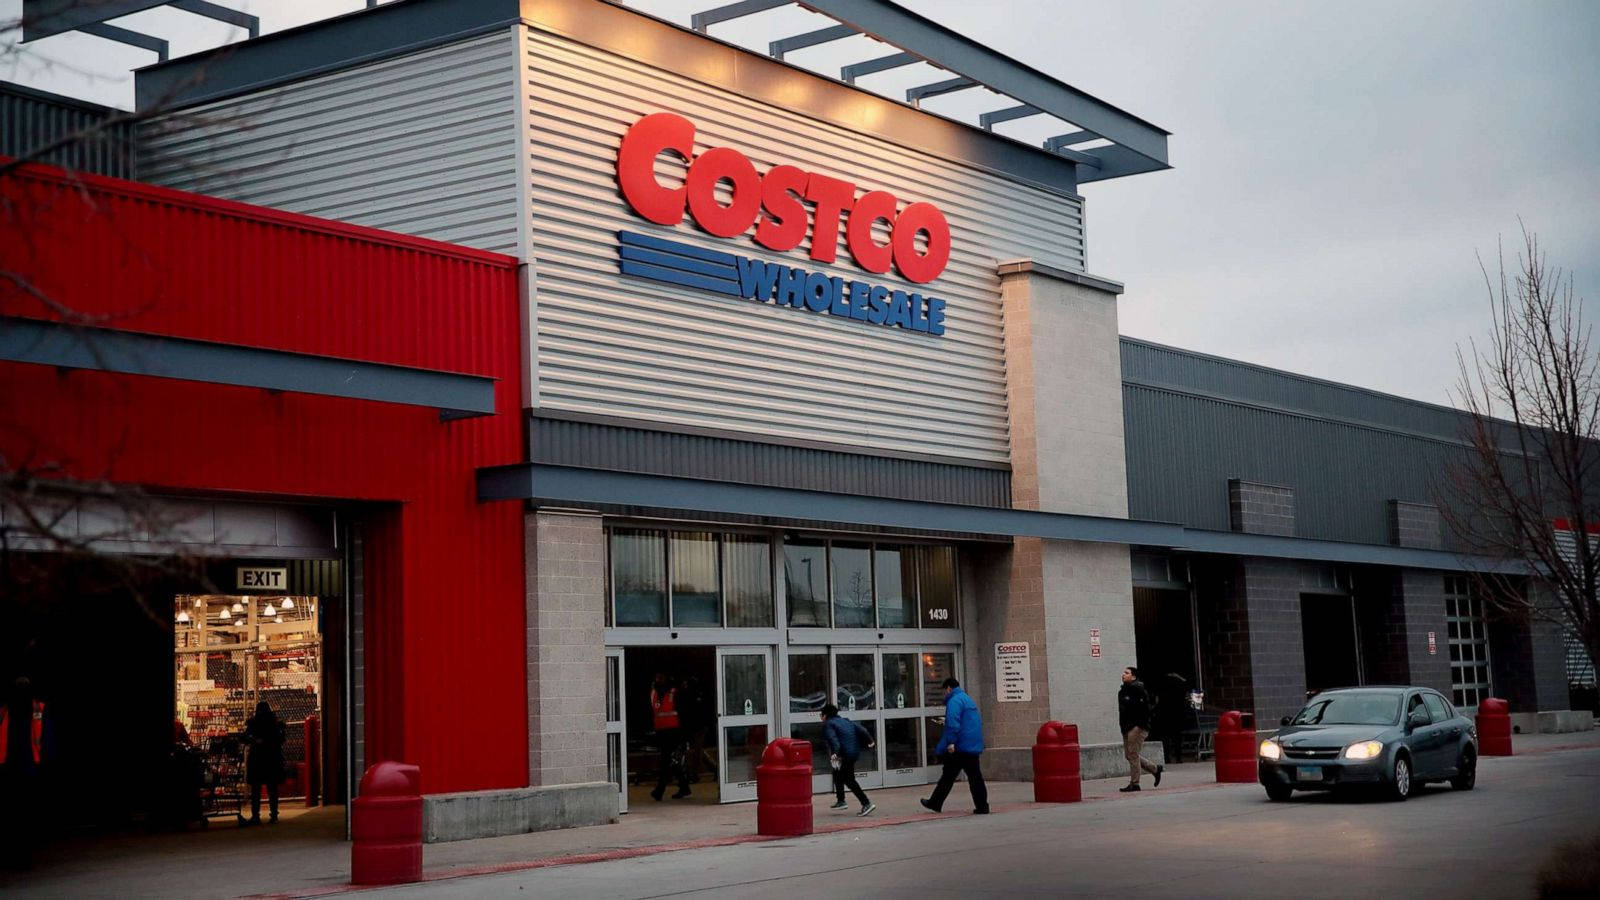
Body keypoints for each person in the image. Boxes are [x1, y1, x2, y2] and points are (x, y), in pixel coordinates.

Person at [920, 677, 988, 815]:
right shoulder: (966, 699)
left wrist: (951, 742)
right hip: (971, 745)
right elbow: (967, 721)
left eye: (944, 691)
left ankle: (935, 803)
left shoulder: (954, 701)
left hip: (960, 746)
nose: (945, 694)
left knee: (948, 776)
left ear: (948, 689)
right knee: (975, 777)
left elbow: (953, 724)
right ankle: (982, 806)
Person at [821, 704, 876, 816]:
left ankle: (866, 803)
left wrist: (835, 753)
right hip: (853, 752)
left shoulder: (829, 724)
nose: (820, 717)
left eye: (821, 715)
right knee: (837, 773)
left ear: (825, 715)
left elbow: (833, 739)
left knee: (849, 779)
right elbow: (862, 730)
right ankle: (841, 801)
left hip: (845, 754)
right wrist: (870, 740)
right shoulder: (845, 720)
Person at [1118, 666, 1163, 792]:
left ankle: (1135, 783)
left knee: (1132, 754)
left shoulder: (1138, 690)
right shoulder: (1122, 691)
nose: (1123, 675)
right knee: (1129, 755)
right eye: (1124, 672)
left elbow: (1146, 710)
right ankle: (1154, 769)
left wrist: (1139, 726)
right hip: (1126, 727)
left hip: (1136, 727)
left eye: (1127, 673)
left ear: (1133, 677)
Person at [243, 701, 286, 824]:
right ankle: (274, 814)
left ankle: (255, 815)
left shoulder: (253, 723)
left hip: (257, 759)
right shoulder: (275, 723)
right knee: (272, 788)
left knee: (255, 789)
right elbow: (281, 738)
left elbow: (245, 737)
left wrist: (254, 740)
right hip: (272, 758)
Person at [649, 672, 689, 800]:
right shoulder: (654, 692)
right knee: (671, 761)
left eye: (661, 677)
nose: (658, 679)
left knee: (667, 761)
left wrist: (683, 734)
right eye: (657, 677)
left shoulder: (674, 692)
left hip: (674, 731)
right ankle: (683, 787)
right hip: (661, 732)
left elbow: (682, 712)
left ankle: (660, 790)